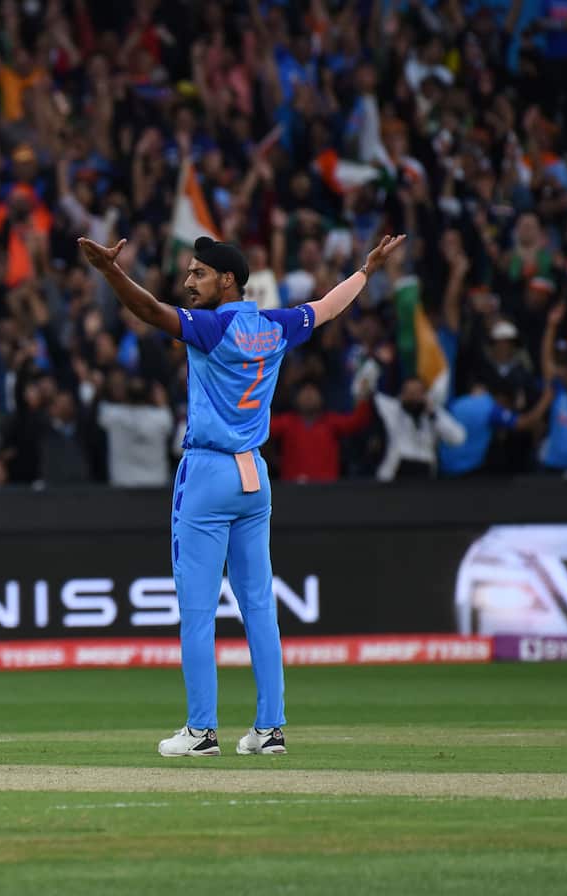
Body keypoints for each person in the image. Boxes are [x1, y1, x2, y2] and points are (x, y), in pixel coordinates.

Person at [79, 232, 406, 758]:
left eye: (198, 274)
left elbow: (146, 309)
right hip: (255, 473)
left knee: (198, 610)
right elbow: (326, 308)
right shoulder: (273, 325)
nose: (188, 283)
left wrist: (109, 272)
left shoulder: (210, 327)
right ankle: (270, 728)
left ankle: (201, 730)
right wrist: (365, 272)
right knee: (259, 605)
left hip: (207, 472)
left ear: (227, 279)